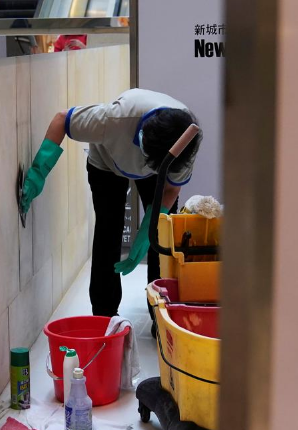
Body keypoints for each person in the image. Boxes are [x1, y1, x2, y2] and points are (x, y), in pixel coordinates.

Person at [20, 88, 201, 317]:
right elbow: (62, 120)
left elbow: (172, 188)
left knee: (160, 235)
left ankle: (160, 312)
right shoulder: (114, 120)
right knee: (108, 230)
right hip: (107, 163)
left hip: (161, 161)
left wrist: (147, 230)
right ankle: (104, 314)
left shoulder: (186, 141)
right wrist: (39, 172)